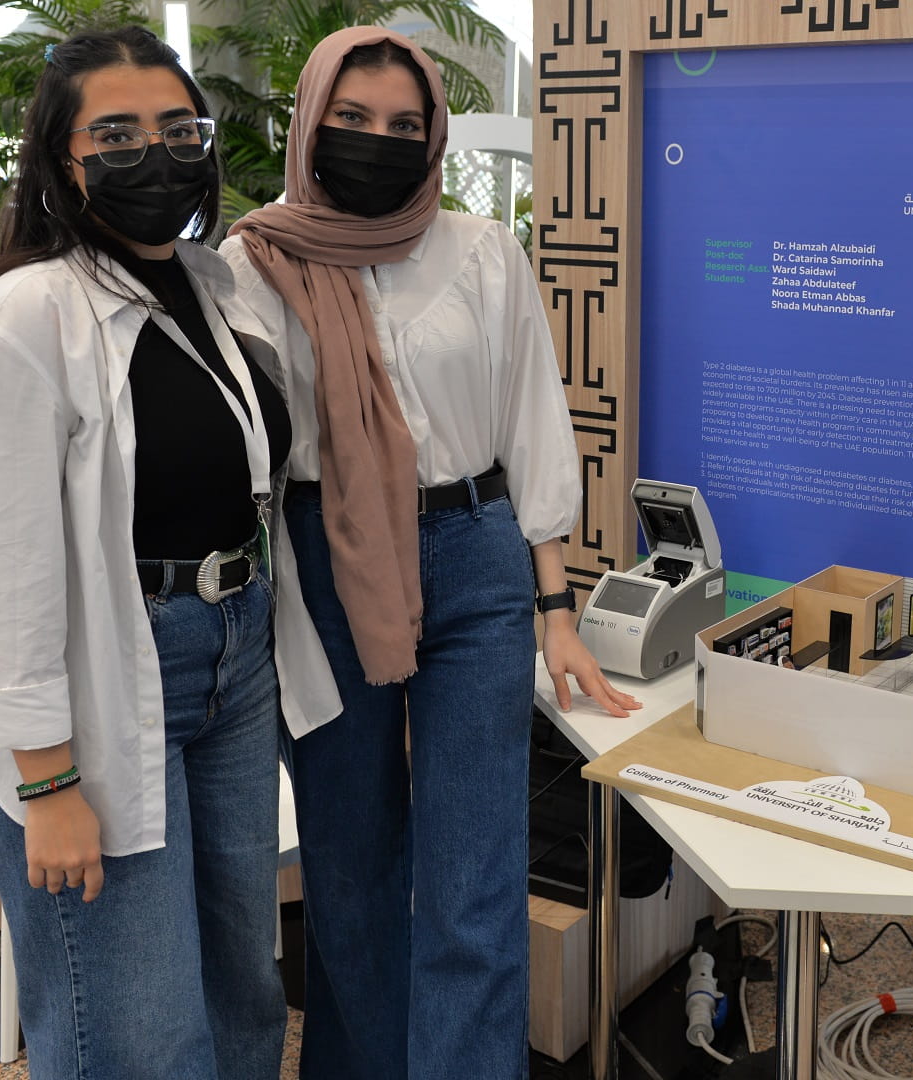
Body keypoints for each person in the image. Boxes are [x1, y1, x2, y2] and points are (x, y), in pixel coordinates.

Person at [219, 26, 640, 1077]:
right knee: (350, 866)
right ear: (312, 121)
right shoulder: (251, 264)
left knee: (475, 874)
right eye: (354, 119)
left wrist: (556, 609)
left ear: (436, 135)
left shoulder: (484, 250)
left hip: (475, 554)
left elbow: (532, 423)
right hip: (327, 562)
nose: (380, 140)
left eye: (405, 124)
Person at [0, 26, 308, 1079]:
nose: (156, 154)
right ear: (64, 160)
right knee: (137, 1026)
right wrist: (47, 785)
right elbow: (3, 571)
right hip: (112, 665)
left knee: (242, 987)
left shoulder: (210, 283)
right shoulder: (19, 319)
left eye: (179, 130)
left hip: (234, 653)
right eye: (118, 134)